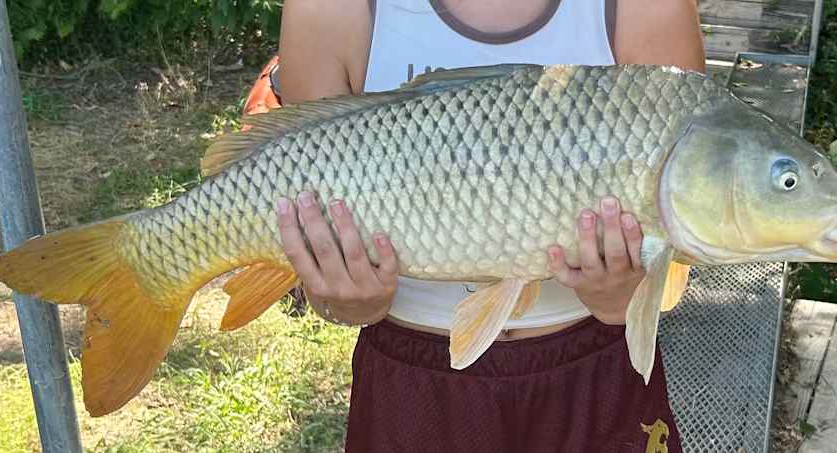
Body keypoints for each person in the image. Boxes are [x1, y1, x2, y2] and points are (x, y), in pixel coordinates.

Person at [263, 0, 705, 450]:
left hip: (597, 372)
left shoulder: (649, 7)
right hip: (412, 385)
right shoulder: (328, 11)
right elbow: (310, 226)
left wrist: (620, 299)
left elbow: (674, 248)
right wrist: (348, 303)